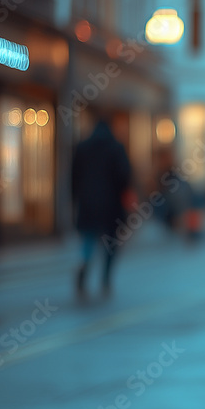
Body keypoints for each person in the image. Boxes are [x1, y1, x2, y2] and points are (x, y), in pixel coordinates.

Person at [71, 118, 132, 297]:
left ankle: (85, 262)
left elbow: (74, 177)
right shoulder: (116, 148)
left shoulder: (83, 147)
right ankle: (105, 278)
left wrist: (76, 199)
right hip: (110, 205)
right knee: (110, 243)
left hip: (88, 203)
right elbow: (124, 176)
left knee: (88, 239)